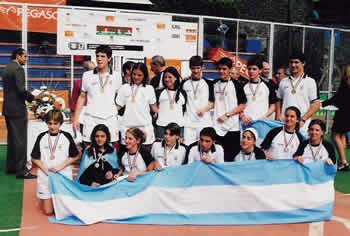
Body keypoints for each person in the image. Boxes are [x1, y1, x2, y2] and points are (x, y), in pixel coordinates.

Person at [31, 110, 80, 215]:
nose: (52, 126)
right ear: (46, 123)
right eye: (50, 123)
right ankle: (46, 199)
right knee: (48, 212)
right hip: (46, 176)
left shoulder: (66, 136)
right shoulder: (41, 137)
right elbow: (34, 158)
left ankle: (55, 199)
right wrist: (45, 170)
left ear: (60, 123)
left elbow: (75, 156)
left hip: (62, 175)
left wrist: (59, 167)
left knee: (64, 212)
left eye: (55, 123)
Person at [73, 45, 122, 146]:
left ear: (109, 58)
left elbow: (121, 97)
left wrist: (114, 109)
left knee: (110, 147)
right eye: (97, 56)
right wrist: (76, 119)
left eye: (103, 56)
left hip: (110, 118)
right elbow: (81, 97)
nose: (99, 59)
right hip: (91, 117)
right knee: (88, 147)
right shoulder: (87, 75)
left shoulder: (117, 76)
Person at [2, 48, 37, 178]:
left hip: (8, 108)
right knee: (20, 141)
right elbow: (21, 90)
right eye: (25, 57)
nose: (26, 59)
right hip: (17, 109)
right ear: (18, 56)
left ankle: (11, 167)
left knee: (12, 139)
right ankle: (21, 170)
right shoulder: (18, 69)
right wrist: (33, 99)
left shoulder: (7, 68)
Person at [276, 52, 321, 136]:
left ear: (303, 63)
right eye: (291, 62)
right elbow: (278, 99)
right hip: (285, 123)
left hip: (302, 125)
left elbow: (316, 103)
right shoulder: (283, 81)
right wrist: (278, 114)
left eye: (296, 62)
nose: (293, 65)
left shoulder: (310, 82)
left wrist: (303, 119)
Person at [116, 62, 158, 149]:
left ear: (145, 75)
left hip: (144, 129)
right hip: (127, 129)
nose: (136, 77)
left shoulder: (149, 89)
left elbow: (154, 108)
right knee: (127, 160)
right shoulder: (124, 88)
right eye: (134, 74)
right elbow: (117, 107)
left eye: (139, 75)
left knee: (145, 158)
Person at [213, 57, 247, 161]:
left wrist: (227, 115)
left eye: (224, 69)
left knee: (231, 157)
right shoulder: (214, 84)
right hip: (217, 126)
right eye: (219, 69)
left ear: (230, 69)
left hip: (232, 127)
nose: (221, 71)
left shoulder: (237, 85)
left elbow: (243, 105)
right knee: (218, 157)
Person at [322, 64, 350, 171]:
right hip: (348, 114)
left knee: (335, 136)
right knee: (342, 136)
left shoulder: (345, 84)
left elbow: (337, 99)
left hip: (343, 114)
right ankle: (341, 162)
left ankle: (343, 162)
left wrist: (323, 103)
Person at [181, 55, 214, 145]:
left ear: (202, 67)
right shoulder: (184, 83)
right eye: (193, 68)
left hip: (204, 122)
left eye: (198, 68)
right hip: (188, 123)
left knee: (204, 148)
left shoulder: (209, 83)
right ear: (189, 67)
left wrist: (204, 109)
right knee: (188, 148)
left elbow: (213, 103)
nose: (195, 71)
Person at [240, 56, 277, 128]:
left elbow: (273, 106)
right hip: (246, 123)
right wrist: (243, 116)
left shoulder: (268, 85)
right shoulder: (242, 86)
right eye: (249, 69)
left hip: (262, 123)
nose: (251, 71)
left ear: (260, 70)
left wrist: (264, 116)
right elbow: (238, 105)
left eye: (254, 69)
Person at [155, 67, 186, 140]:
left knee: (178, 150)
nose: (167, 79)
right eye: (165, 77)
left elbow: (184, 109)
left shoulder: (182, 92)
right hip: (162, 127)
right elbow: (154, 107)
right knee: (161, 149)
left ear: (175, 78)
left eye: (170, 77)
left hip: (178, 127)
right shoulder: (158, 92)